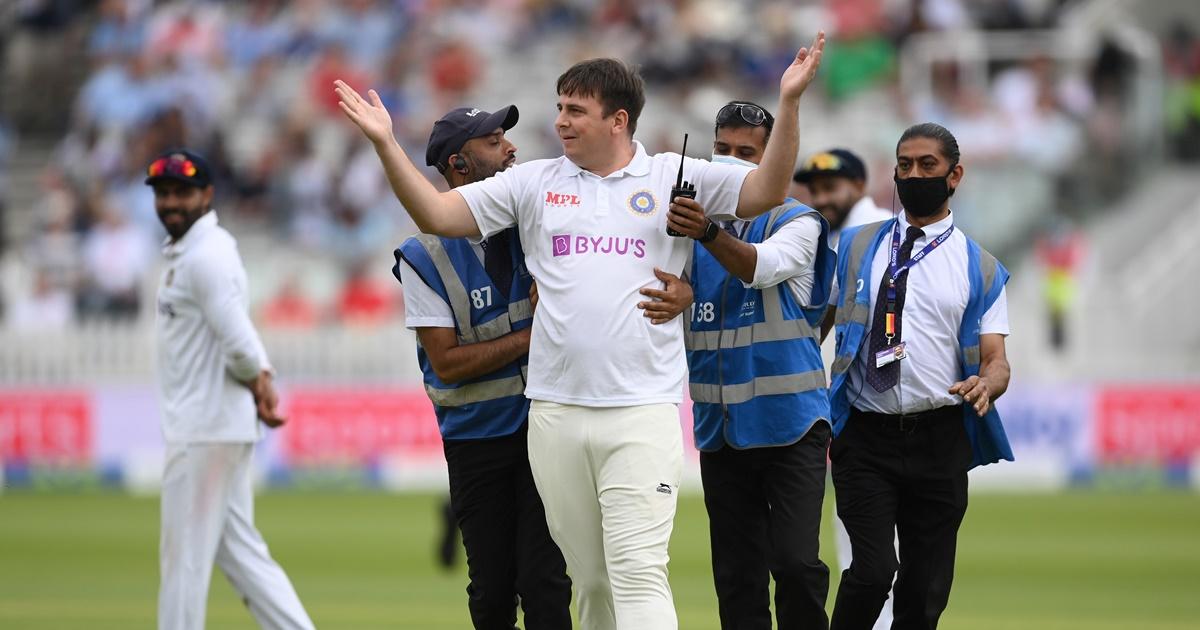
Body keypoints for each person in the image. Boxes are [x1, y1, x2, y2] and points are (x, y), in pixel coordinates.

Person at [336, 31, 825, 630]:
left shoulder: (673, 174)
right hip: (555, 415)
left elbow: (767, 191)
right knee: (590, 582)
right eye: (559, 107)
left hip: (640, 410)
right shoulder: (534, 182)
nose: (560, 121)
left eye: (575, 110)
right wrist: (386, 143)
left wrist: (789, 102)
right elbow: (437, 214)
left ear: (618, 120)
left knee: (638, 571)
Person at [393, 104, 578, 630]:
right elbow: (447, 363)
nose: (511, 149)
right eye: (495, 141)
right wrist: (532, 336)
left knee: (546, 584)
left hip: (544, 429)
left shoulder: (534, 223)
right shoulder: (423, 255)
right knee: (492, 594)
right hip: (476, 442)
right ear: (459, 163)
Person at [822, 123, 1013, 630]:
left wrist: (986, 383)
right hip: (865, 435)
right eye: (904, 165)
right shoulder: (856, 247)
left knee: (924, 591)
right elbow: (815, 322)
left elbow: (996, 360)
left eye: (927, 165)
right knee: (871, 571)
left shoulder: (981, 268)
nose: (913, 175)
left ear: (955, 175)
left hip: (939, 438)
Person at [667, 100, 835, 629]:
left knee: (795, 563)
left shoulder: (797, 221)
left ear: (771, 162)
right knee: (737, 578)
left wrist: (706, 234)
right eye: (722, 149)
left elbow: (761, 268)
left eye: (746, 153)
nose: (730, 161)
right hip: (721, 431)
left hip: (792, 426)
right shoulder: (684, 230)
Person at [149, 149, 314, 630]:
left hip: (204, 431)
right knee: (242, 557)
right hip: (215, 426)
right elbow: (238, 330)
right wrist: (260, 381)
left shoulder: (206, 255)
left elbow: (237, 339)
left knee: (183, 561)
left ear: (207, 194)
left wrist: (259, 380)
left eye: (181, 193)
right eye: (163, 193)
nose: (170, 203)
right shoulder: (198, 251)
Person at [795, 147, 895, 630]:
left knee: (870, 550)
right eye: (814, 190)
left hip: (877, 406)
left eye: (831, 188)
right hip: (856, 408)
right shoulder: (838, 237)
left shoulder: (874, 233)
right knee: (865, 543)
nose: (821, 198)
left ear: (858, 185)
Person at [794, 148, 893, 248]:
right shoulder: (830, 235)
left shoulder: (883, 230)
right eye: (813, 191)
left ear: (859, 186)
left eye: (829, 187)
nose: (820, 200)